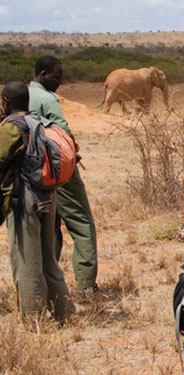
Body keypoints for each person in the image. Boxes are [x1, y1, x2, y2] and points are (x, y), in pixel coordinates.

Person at [0, 81, 73, 322]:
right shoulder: (37, 122)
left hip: (25, 200)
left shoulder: (13, 126)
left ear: (6, 102)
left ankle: (34, 320)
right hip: (47, 195)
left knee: (27, 262)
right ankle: (64, 313)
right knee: (48, 260)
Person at [28, 55, 99, 293]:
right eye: (56, 77)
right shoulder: (47, 99)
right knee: (81, 223)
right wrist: (73, 154)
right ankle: (86, 285)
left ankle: (50, 282)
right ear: (42, 74)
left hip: (34, 172)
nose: (59, 83)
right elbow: (62, 130)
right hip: (58, 167)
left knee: (50, 227)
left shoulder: (24, 95)